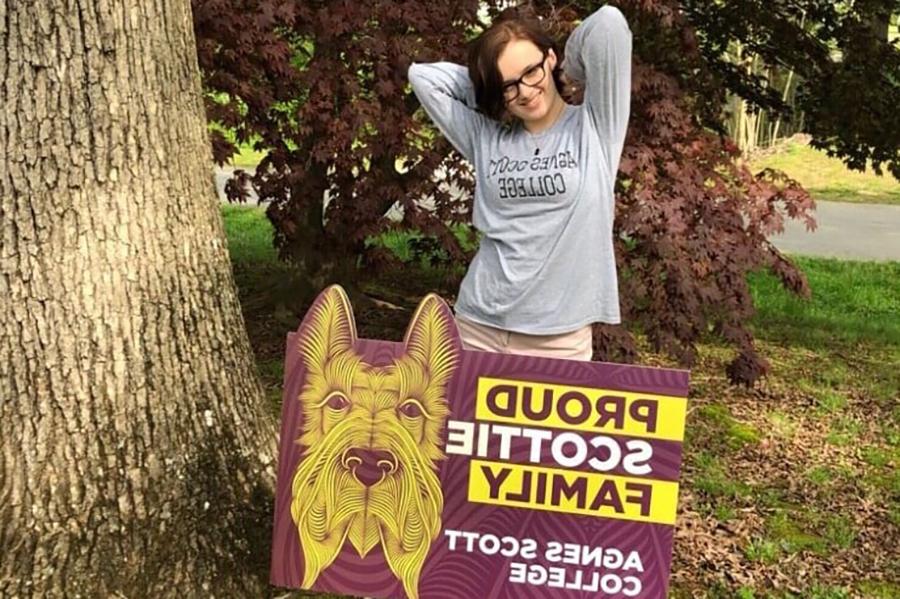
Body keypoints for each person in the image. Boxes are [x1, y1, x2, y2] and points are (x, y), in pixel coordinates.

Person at [407, 4, 632, 362]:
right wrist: (487, 82)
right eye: (509, 86)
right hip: (477, 324)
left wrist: (569, 68)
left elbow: (608, 23)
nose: (525, 92)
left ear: (550, 58)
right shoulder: (487, 138)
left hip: (559, 339)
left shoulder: (596, 126)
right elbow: (423, 78)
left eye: (531, 71)